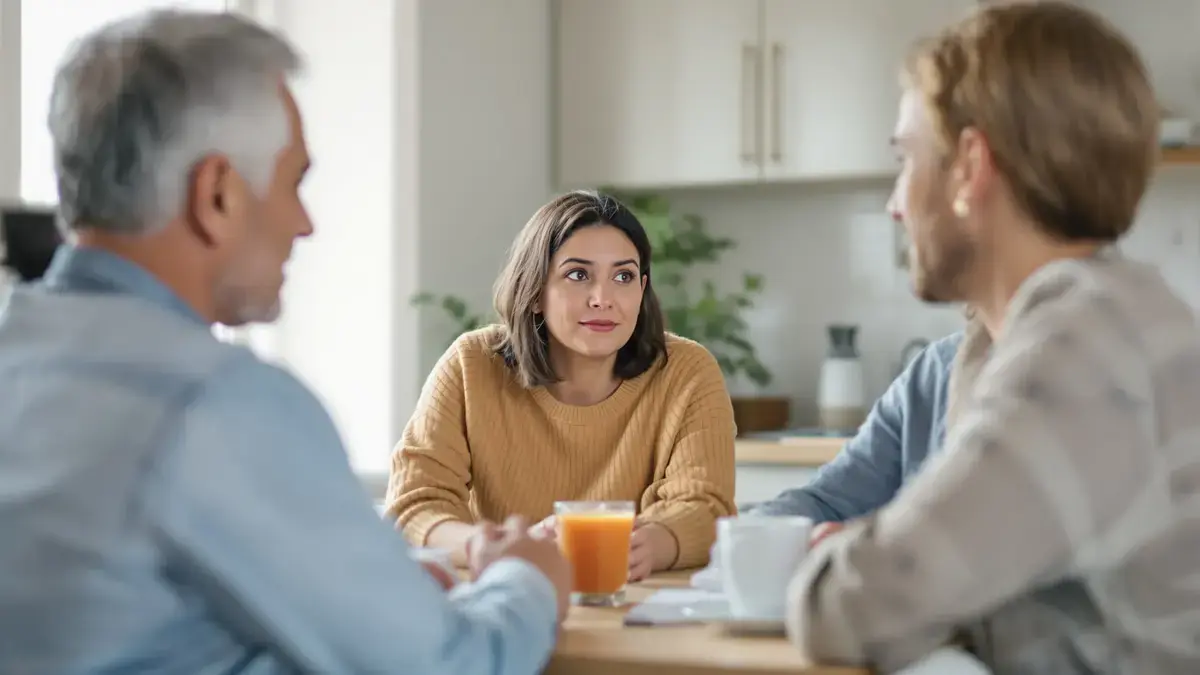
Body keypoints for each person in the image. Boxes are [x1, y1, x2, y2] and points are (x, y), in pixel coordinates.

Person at [0, 10, 572, 675]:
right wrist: (527, 580)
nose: (305, 223)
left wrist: (386, 586)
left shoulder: (26, 355)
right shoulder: (214, 401)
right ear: (216, 195)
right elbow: (450, 665)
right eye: (294, 182)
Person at [784, 3, 1200, 674]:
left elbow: (848, 609)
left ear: (970, 166)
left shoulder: (1086, 349)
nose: (896, 202)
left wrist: (848, 553)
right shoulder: (1075, 325)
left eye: (905, 159)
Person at [386, 190, 737, 580]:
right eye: (578, 275)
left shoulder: (686, 370)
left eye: (624, 276)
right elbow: (413, 505)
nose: (603, 298)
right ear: (535, 290)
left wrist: (650, 544)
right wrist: (487, 546)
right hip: (505, 602)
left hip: (633, 604)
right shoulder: (470, 364)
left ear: (642, 289)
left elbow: (706, 506)